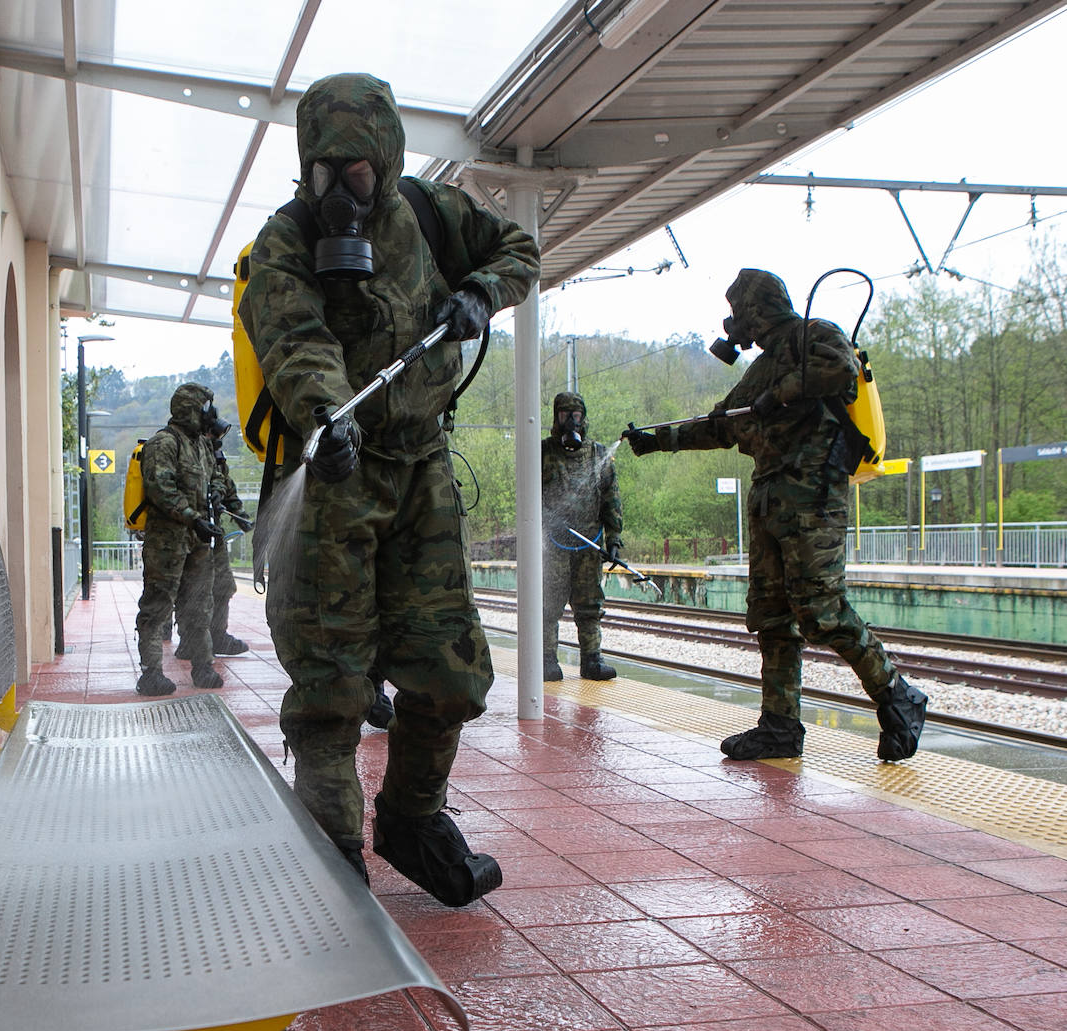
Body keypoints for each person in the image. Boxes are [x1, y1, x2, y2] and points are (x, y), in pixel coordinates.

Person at [237, 73, 539, 904]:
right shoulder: (286, 241)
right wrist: (328, 417)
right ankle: (332, 862)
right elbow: (296, 341)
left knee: (449, 674)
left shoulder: (436, 213)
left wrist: (482, 292)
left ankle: (411, 819)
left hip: (422, 473)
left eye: (357, 174)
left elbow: (521, 251)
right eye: (322, 174)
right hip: (334, 474)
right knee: (331, 690)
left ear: (389, 159)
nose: (340, 193)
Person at [622, 268, 927, 761]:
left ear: (757, 309)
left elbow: (841, 370)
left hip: (812, 498)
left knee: (821, 611)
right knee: (772, 616)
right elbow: (722, 425)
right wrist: (658, 441)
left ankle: (897, 694)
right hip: (770, 499)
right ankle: (780, 727)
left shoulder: (814, 336)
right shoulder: (759, 368)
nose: (734, 323)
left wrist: (781, 394)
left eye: (739, 311)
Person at [133, 381, 223, 697]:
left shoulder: (201, 446)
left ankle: (203, 665)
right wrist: (192, 517)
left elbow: (216, 478)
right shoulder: (164, 443)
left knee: (199, 604)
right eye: (204, 408)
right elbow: (160, 487)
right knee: (158, 605)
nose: (210, 415)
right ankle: (151, 672)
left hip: (197, 540)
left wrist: (216, 496)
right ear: (190, 409)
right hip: (167, 542)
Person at [542, 391, 622, 682]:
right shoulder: (543, 453)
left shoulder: (599, 454)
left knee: (589, 603)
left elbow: (611, 500)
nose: (570, 423)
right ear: (556, 417)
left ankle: (592, 659)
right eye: (565, 416)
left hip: (589, 542)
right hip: (553, 544)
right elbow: (529, 497)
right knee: (549, 604)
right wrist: (548, 520)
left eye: (575, 416)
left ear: (583, 418)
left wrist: (614, 539)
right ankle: (547, 659)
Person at [176, 419, 252, 659]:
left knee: (223, 585)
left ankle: (217, 635)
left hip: (212, 531)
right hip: (187, 530)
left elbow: (225, 484)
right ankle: (189, 641)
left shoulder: (213, 454)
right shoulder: (181, 448)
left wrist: (239, 514)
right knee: (191, 589)